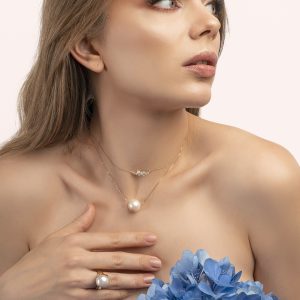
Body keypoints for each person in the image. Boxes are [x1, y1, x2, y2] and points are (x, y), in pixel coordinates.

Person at [0, 0, 299, 299]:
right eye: (167, 3)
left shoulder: (264, 180)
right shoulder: (13, 191)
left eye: (211, 5)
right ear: (89, 46)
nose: (212, 23)